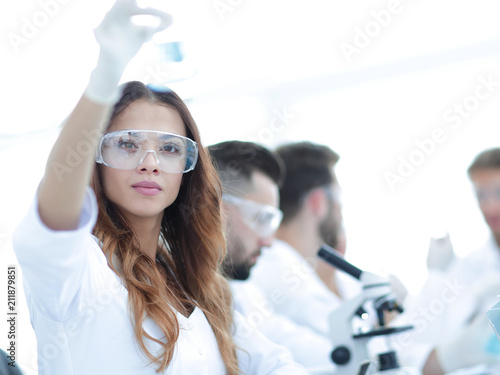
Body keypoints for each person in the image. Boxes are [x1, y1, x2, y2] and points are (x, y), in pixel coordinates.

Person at [12, 1, 307, 374]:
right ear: (95, 158)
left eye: (169, 148)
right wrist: (104, 75)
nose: (149, 162)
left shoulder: (200, 287)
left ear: (188, 168)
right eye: (127, 143)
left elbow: (275, 364)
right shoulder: (79, 270)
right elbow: (55, 204)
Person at [209, 140, 337, 373]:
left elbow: (273, 352)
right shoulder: (170, 286)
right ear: (214, 207)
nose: (268, 241)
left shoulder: (236, 289)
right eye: (261, 219)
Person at [248, 141, 362, 337]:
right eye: (339, 200)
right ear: (319, 202)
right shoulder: (279, 265)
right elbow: (355, 345)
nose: (341, 213)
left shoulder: (299, 268)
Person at [415, 148, 500, 374]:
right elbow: (429, 340)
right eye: (481, 195)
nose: (490, 206)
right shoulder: (469, 267)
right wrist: (438, 277)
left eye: (499, 193)